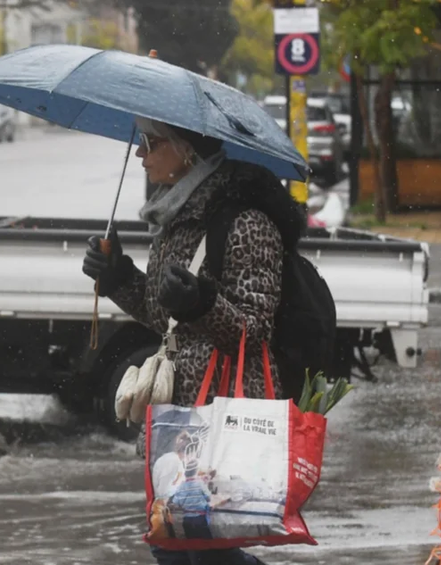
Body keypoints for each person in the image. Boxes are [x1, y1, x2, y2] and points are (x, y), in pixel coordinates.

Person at [83, 115, 305, 565]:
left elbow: (254, 329)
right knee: (170, 540)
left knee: (201, 548)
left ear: (186, 150)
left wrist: (202, 303)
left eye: (151, 142)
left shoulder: (245, 221)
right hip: (178, 412)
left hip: (221, 408)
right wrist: (119, 276)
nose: (141, 153)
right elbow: (162, 316)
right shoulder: (175, 218)